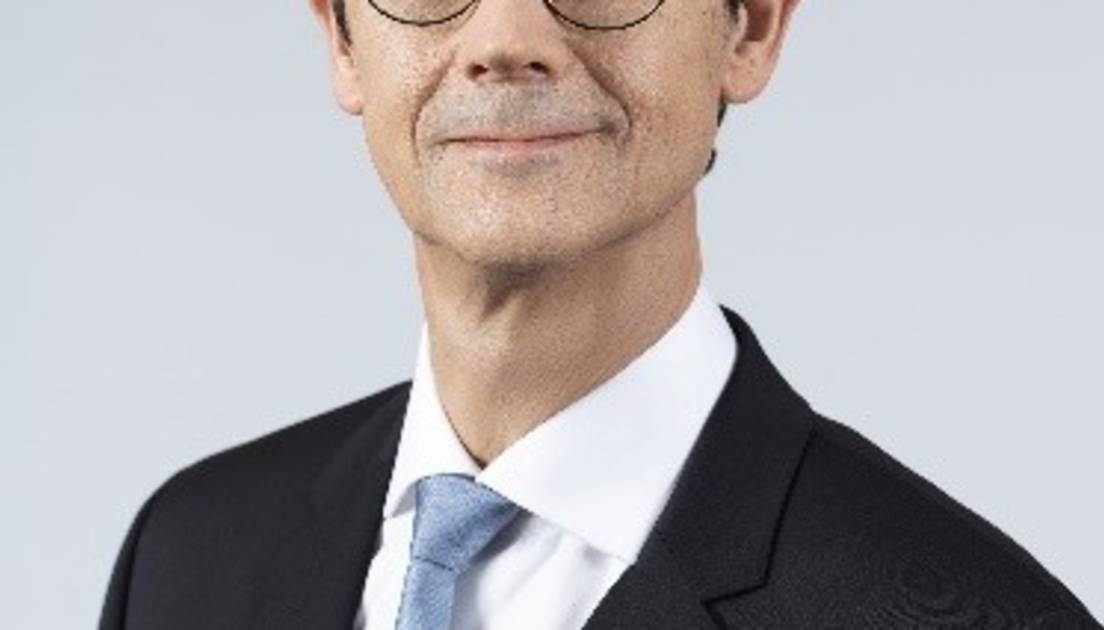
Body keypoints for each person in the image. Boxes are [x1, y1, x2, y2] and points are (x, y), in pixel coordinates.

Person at [98, 0, 1101, 627]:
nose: (506, 40)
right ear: (342, 38)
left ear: (750, 28)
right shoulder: (187, 558)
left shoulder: (972, 617)